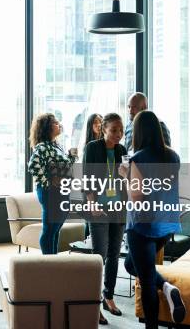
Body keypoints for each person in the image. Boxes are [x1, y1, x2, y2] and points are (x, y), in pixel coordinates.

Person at [118, 110, 185, 328]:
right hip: (164, 227)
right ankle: (167, 287)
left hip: (142, 227)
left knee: (146, 281)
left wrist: (125, 176)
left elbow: (136, 197)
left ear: (137, 132)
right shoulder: (173, 157)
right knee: (131, 264)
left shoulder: (137, 159)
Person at [83, 113, 127, 325]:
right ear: (104, 130)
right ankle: (95, 304)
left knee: (114, 254)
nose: (118, 134)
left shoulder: (122, 151)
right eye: (114, 130)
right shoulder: (92, 147)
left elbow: (127, 182)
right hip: (98, 207)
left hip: (118, 208)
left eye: (121, 130)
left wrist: (126, 174)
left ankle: (109, 296)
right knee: (98, 256)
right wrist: (91, 202)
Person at [27, 113, 78, 255]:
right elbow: (33, 165)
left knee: (55, 229)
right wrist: (48, 182)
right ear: (47, 127)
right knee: (50, 230)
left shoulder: (56, 145)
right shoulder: (43, 147)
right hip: (50, 192)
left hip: (61, 191)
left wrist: (70, 157)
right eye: (55, 123)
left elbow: (65, 167)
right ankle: (48, 263)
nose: (59, 124)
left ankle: (54, 262)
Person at [82, 113, 103, 239]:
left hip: (104, 191)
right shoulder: (89, 146)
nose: (99, 124)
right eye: (95, 122)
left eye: (101, 121)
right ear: (90, 125)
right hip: (91, 191)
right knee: (90, 225)